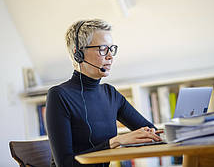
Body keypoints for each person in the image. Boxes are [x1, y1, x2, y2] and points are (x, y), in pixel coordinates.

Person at [46, 19, 162, 167]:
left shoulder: (110, 94)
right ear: (78, 54)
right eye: (102, 49)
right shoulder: (59, 96)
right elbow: (65, 164)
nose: (110, 56)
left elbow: (152, 133)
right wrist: (115, 141)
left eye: (111, 49)